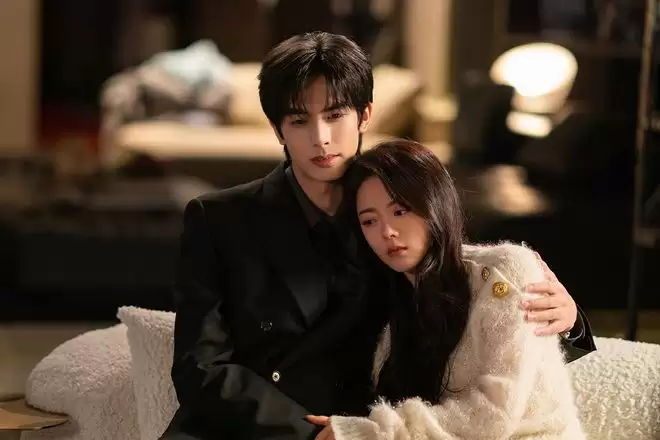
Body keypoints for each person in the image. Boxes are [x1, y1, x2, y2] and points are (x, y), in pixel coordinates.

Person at [161, 31, 594, 440]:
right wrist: (311, 434)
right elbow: (200, 367)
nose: (321, 139)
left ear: (364, 115)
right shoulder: (220, 218)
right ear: (278, 130)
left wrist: (569, 321)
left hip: (356, 425)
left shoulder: (402, 221)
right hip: (245, 427)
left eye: (335, 116)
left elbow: (471, 311)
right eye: (299, 120)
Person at [308, 139, 587, 440]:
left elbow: (494, 415)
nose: (387, 232)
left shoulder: (504, 269)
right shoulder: (383, 295)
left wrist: (370, 431)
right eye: (369, 221)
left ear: (434, 205)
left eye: (400, 211)